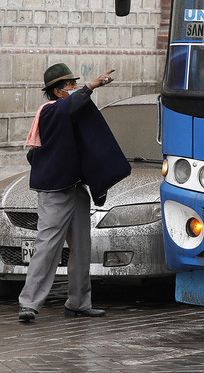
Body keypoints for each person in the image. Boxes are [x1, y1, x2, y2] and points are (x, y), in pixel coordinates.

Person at [17, 62, 131, 323]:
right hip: (54, 193)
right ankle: (29, 304)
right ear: (58, 92)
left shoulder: (67, 114)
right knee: (47, 247)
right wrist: (93, 85)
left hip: (75, 188)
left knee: (81, 248)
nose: (75, 89)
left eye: (75, 85)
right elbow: (72, 104)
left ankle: (79, 303)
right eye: (70, 86)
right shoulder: (50, 111)